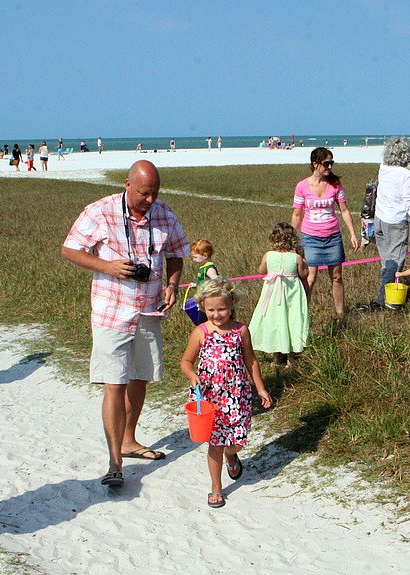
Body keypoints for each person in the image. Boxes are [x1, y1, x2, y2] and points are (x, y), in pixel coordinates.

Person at [61, 160, 190, 487]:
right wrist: (107, 266)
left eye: (155, 193)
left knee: (140, 378)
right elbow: (70, 250)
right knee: (114, 383)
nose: (150, 200)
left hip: (149, 310)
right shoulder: (99, 212)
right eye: (144, 193)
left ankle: (129, 440)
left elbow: (176, 252)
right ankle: (114, 463)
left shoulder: (164, 213)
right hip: (111, 311)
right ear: (127, 184)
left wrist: (172, 284)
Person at [180, 277, 272, 508]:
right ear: (202, 307)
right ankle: (216, 487)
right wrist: (193, 377)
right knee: (215, 443)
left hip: (238, 395)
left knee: (238, 441)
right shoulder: (200, 332)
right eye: (211, 309)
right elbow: (186, 361)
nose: (217, 314)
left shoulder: (241, 330)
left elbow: (251, 361)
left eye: (221, 309)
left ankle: (231, 455)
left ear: (231, 305)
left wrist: (260, 388)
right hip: (210, 398)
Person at [291, 147, 359, 319]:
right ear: (315, 164)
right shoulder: (302, 186)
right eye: (326, 163)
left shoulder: (335, 184)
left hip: (333, 236)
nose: (330, 167)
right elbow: (297, 214)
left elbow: (344, 210)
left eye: (331, 163)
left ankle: (340, 314)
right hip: (310, 237)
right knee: (310, 278)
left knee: (336, 277)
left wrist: (352, 233)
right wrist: (293, 239)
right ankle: (302, 316)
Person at [371, 137, 410, 309]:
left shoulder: (383, 167)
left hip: (379, 220)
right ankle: (384, 300)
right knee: (395, 263)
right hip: (395, 222)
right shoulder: (405, 174)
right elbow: (409, 201)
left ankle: (386, 294)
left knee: (386, 261)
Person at [248, 222, 310, 368]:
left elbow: (261, 270)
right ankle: (290, 358)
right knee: (291, 320)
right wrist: (303, 259)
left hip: (273, 292)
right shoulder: (296, 258)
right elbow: (304, 274)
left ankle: (277, 356)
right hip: (291, 295)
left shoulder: (268, 255)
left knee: (275, 319)